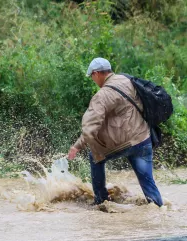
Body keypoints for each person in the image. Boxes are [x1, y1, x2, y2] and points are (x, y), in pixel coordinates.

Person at [67, 57, 163, 207]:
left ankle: (102, 202)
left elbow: (90, 127)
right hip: (144, 139)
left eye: (92, 76)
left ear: (97, 73)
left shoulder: (102, 95)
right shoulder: (128, 80)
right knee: (148, 183)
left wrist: (77, 146)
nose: (93, 80)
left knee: (94, 156)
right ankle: (158, 207)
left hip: (125, 143)